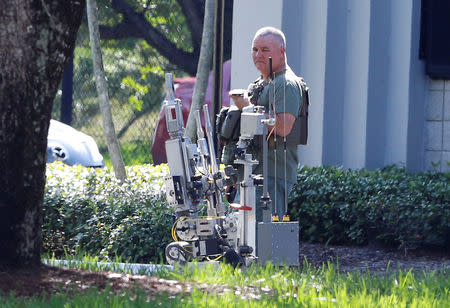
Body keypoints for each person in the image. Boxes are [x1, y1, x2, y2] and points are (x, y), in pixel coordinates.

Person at [229, 26, 302, 222]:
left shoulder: (285, 84)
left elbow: (283, 127)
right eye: (255, 49)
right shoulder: (261, 83)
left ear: (282, 51)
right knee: (240, 234)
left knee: (260, 238)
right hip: (251, 172)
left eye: (265, 50)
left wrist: (248, 107)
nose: (258, 55)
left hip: (271, 174)